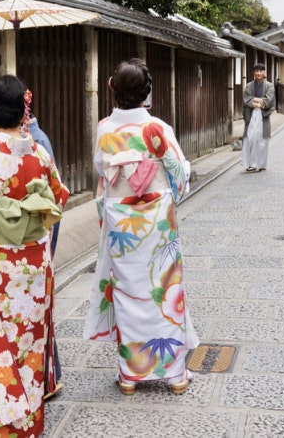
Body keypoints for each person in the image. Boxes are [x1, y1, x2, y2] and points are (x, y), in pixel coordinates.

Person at [0, 74, 69, 437]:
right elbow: (59, 197)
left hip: (1, 270)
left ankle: (4, 429)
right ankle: (30, 427)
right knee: (30, 350)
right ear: (24, 109)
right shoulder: (39, 153)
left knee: (0, 349)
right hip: (35, 267)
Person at [84, 58, 198, 396]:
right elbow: (179, 177)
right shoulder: (158, 129)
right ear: (147, 93)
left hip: (122, 225)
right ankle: (175, 374)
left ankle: (130, 375)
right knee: (165, 291)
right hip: (158, 223)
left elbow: (102, 174)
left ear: (112, 89)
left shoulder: (106, 129)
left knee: (129, 293)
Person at [25, 105, 63, 399]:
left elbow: (55, 196)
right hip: (30, 243)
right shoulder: (35, 142)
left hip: (26, 244)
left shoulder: (34, 145)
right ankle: (47, 378)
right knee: (37, 312)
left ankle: (42, 380)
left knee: (33, 314)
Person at [242, 62, 276, 173]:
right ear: (253, 72)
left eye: (261, 71)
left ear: (264, 72)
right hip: (251, 114)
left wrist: (255, 100)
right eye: (257, 71)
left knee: (262, 140)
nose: (258, 73)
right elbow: (246, 99)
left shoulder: (269, 86)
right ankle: (251, 164)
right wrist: (258, 102)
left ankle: (261, 164)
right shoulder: (249, 86)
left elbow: (269, 99)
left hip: (263, 115)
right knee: (250, 138)